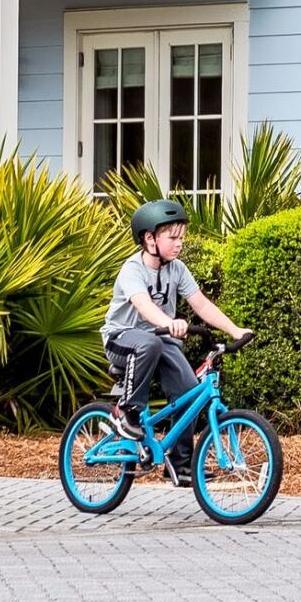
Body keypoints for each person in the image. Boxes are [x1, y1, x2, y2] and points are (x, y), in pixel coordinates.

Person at [103, 196, 248, 480]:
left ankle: (179, 466)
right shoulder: (132, 269)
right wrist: (169, 323)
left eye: (181, 237)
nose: (179, 243)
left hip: (158, 341)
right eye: (172, 237)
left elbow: (202, 304)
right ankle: (128, 415)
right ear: (149, 239)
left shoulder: (177, 269)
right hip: (122, 340)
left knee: (188, 392)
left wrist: (235, 330)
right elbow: (143, 305)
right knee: (151, 342)